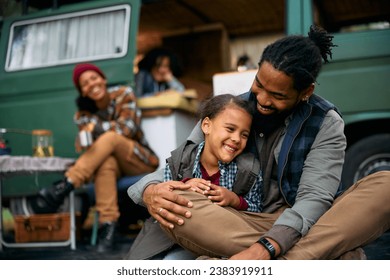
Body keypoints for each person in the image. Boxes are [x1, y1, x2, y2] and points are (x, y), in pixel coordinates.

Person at [127, 25, 390, 260]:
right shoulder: (229, 111)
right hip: (237, 221)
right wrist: (150, 190)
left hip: (302, 221)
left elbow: (314, 199)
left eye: (277, 95)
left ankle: (282, 262)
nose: (262, 100)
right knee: (179, 203)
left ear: (305, 92)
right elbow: (181, 161)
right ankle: (319, 257)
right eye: (259, 84)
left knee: (385, 185)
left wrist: (265, 248)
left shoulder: (325, 122)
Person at [29, 63, 159, 252]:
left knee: (111, 138)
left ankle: (67, 182)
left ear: (103, 79)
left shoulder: (124, 93)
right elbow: (87, 147)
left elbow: (127, 128)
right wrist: (84, 140)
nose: (91, 84)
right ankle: (108, 227)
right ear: (82, 91)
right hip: (112, 166)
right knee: (105, 162)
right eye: (85, 83)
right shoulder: (83, 114)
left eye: (94, 78)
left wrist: (96, 129)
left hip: (139, 160)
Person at [126, 94, 263, 259]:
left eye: (244, 135)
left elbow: (257, 211)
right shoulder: (180, 160)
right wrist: (185, 184)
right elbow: (166, 194)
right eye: (230, 129)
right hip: (175, 237)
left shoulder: (248, 170)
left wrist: (235, 200)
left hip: (220, 242)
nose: (236, 138)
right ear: (206, 126)